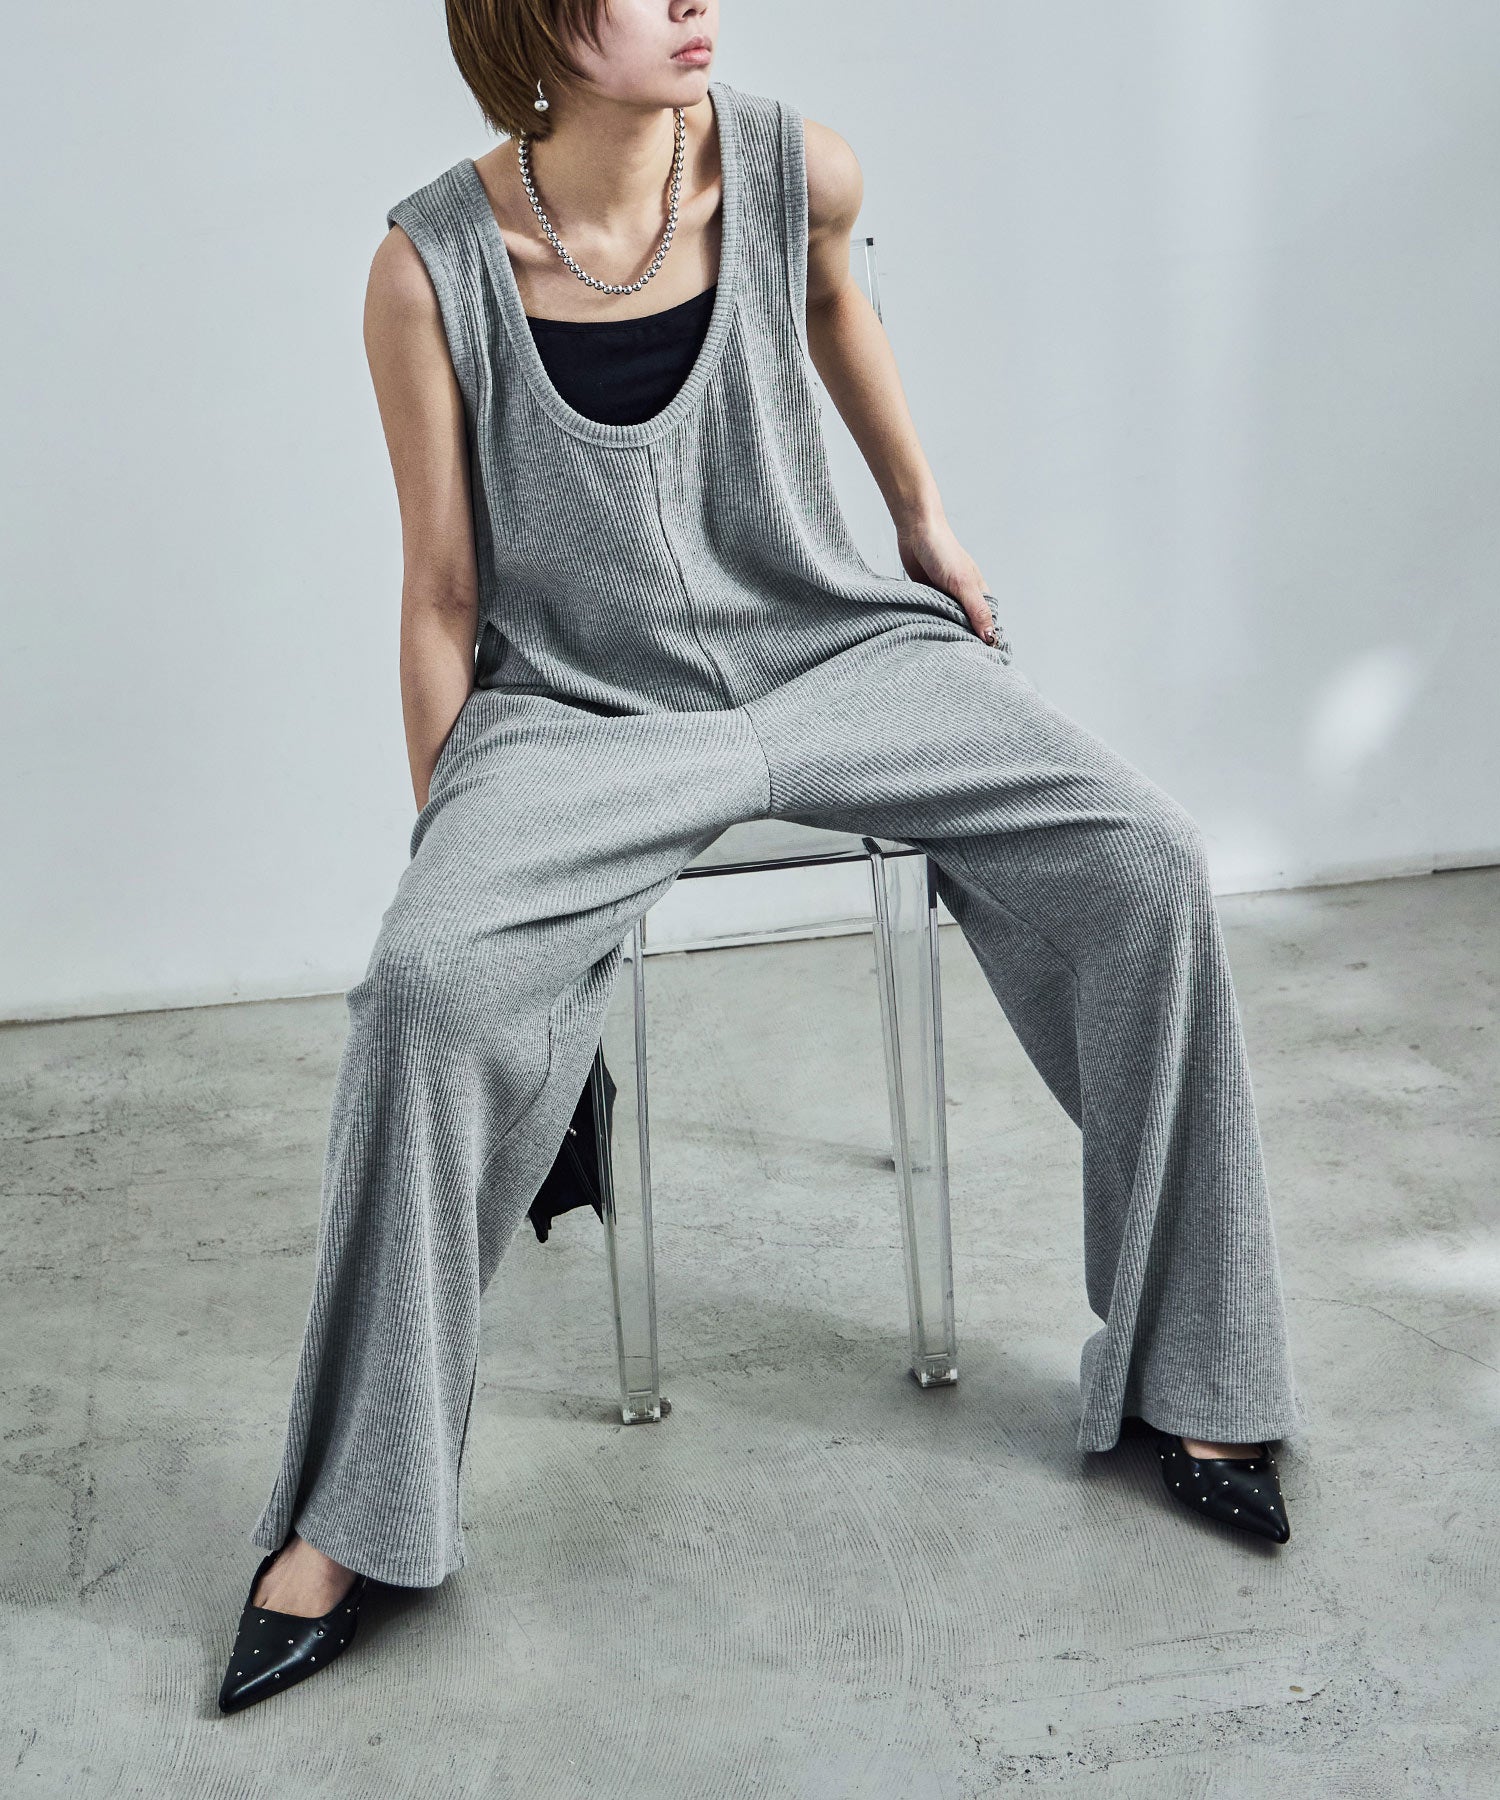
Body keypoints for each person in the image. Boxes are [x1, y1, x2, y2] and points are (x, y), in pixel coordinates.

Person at [217, 0, 1309, 1715]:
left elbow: (832, 303)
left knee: (1147, 864)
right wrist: (466, 857)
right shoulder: (430, 269)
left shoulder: (798, 171)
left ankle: (1202, 1378)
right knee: (425, 986)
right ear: (530, 18)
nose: (693, 2)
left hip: (832, 650)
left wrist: (926, 523)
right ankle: (352, 1515)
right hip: (579, 708)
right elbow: (439, 588)